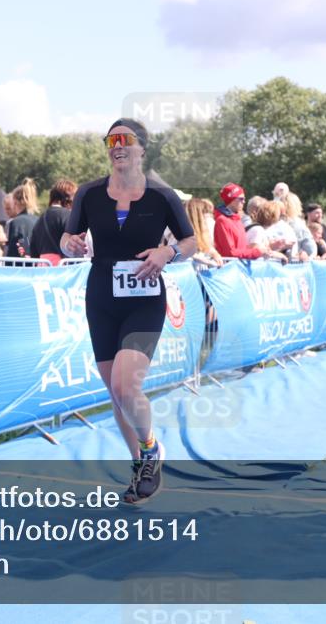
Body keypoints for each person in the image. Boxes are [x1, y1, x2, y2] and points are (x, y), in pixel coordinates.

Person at [60, 119, 196, 504]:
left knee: (125, 385)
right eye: (112, 140)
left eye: (126, 140)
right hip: (101, 298)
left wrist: (167, 252)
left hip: (145, 298)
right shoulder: (88, 194)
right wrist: (69, 243)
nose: (118, 146)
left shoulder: (162, 195)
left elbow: (190, 242)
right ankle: (139, 467)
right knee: (115, 393)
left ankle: (151, 449)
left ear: (142, 149)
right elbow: (69, 236)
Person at [213, 183, 265, 260]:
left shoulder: (237, 219)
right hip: (230, 269)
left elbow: (241, 249)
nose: (244, 202)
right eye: (241, 199)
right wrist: (257, 252)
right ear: (232, 200)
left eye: (244, 199)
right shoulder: (222, 220)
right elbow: (230, 253)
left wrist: (265, 251)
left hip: (239, 268)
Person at [30, 179, 77, 263]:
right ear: (68, 199)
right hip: (64, 270)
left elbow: (33, 251)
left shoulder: (39, 219)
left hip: (43, 270)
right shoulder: (68, 215)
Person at [4, 178, 39, 257]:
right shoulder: (38, 220)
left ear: (15, 201)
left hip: (20, 266)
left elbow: (13, 251)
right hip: (36, 265)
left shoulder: (16, 222)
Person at [185, 197, 223, 267]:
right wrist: (208, 262)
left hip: (198, 271)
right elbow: (185, 253)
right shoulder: (182, 233)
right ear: (197, 215)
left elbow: (205, 246)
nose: (206, 215)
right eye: (204, 212)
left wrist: (215, 254)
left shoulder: (201, 231)